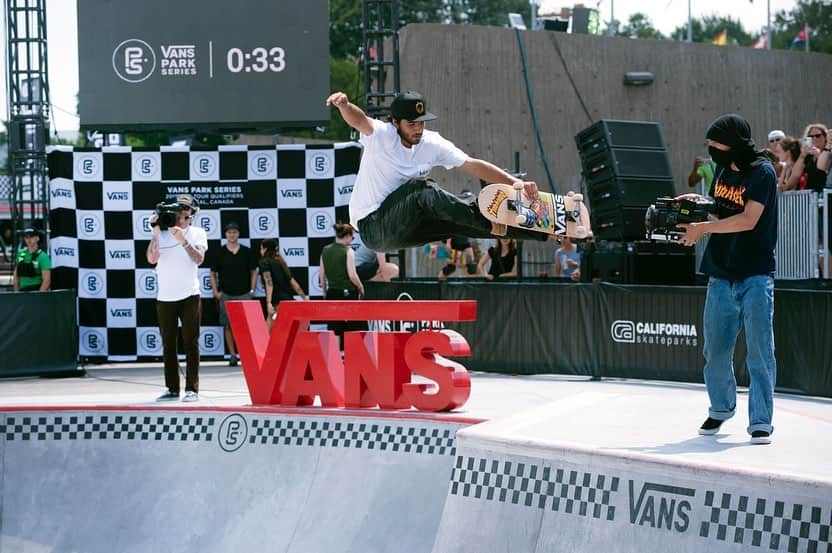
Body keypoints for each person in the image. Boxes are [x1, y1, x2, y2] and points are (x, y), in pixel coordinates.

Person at [325, 90, 550, 252]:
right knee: (422, 189)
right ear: (395, 122)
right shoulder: (382, 136)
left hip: (409, 227)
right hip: (374, 227)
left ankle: (545, 231)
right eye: (411, 124)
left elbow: (473, 165)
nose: (418, 130)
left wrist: (516, 184)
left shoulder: (432, 143)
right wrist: (344, 105)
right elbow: (360, 121)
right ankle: (487, 222)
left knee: (462, 217)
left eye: (421, 123)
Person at [676, 114, 777, 445]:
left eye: (717, 143)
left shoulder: (761, 173)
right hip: (720, 272)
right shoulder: (720, 171)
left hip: (755, 274)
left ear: (735, 144)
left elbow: (748, 220)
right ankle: (720, 409)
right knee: (716, 350)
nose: (712, 149)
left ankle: (761, 422)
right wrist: (697, 207)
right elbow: (722, 214)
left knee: (760, 353)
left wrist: (703, 229)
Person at [146, 194, 208, 403]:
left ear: (192, 213)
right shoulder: (161, 232)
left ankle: (192, 389)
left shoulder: (198, 232)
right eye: (178, 208)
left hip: (190, 294)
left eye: (186, 209)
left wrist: (183, 241)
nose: (182, 212)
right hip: (165, 296)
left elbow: (198, 259)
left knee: (191, 343)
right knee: (168, 345)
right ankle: (172, 388)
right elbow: (151, 258)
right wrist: (155, 234)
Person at [210, 222, 257, 367]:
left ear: (238, 234)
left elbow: (254, 272)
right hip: (226, 294)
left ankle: (248, 355)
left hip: (244, 294)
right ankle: (232, 355)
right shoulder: (219, 252)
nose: (232, 235)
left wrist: (252, 290)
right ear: (225, 234)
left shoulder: (247, 251)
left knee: (247, 327)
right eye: (229, 232)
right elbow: (212, 273)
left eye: (234, 232)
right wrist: (215, 291)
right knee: (228, 326)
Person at [320, 223, 366, 348]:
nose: (352, 240)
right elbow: (352, 274)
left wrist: (325, 292)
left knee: (335, 328)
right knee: (353, 328)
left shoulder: (325, 250)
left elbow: (322, 275)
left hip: (332, 292)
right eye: (352, 237)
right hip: (348, 292)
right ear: (347, 236)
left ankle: (335, 361)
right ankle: (353, 359)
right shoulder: (348, 251)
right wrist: (361, 287)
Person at [259, 238, 307, 332]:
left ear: (264, 249)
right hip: (289, 301)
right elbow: (294, 283)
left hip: (277, 303)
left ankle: (267, 347)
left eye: (261, 248)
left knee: (271, 331)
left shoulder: (264, 262)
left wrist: (268, 303)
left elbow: (269, 283)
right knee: (283, 330)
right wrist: (305, 298)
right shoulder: (281, 262)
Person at [785, 124, 830, 192]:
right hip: (807, 198)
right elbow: (795, 176)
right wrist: (802, 155)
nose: (814, 138)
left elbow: (825, 169)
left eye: (817, 136)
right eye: (810, 136)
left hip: (822, 197)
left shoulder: (828, 153)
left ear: (825, 138)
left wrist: (819, 155)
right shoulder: (807, 157)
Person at [13, 228, 51, 292]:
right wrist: (16, 293)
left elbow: (47, 280)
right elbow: (16, 276)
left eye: (31, 237)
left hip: (36, 290)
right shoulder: (20, 253)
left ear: (37, 238)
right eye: (26, 237)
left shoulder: (43, 256)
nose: (29, 239)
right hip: (22, 291)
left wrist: (38, 296)